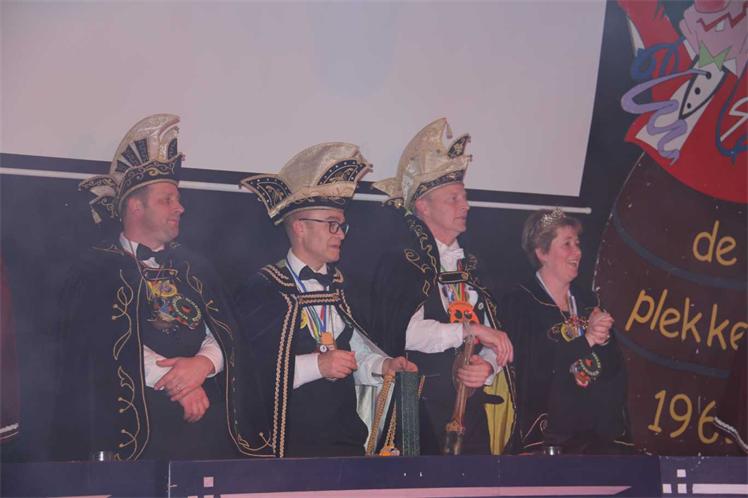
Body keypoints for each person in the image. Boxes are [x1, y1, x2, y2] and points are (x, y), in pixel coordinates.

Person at [54, 114, 271, 461]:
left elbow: (225, 330)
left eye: (178, 199)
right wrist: (178, 382)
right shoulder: (95, 269)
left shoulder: (196, 266)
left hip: (206, 429)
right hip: (137, 432)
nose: (180, 208)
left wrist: (203, 364)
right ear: (135, 206)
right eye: (167, 199)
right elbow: (99, 342)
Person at [237, 142, 416, 458]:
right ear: (300, 227)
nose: (341, 233)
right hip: (287, 446)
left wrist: (383, 365)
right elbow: (251, 373)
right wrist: (317, 365)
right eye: (332, 224)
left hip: (345, 440)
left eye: (342, 225)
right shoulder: (264, 289)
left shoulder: (344, 288)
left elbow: (354, 353)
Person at [370, 118, 516, 455]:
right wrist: (468, 331)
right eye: (453, 198)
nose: (466, 206)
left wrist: (487, 366)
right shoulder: (403, 263)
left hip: (470, 414)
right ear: (423, 206)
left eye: (464, 198)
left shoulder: (473, 266)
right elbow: (404, 334)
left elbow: (495, 333)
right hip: (419, 412)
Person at [500, 208, 631, 454]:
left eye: (577, 243)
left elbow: (614, 370)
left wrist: (603, 341)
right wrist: (587, 339)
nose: (577, 252)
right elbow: (532, 367)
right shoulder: (520, 302)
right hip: (546, 439)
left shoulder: (588, 302)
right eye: (567, 244)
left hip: (594, 439)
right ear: (542, 252)